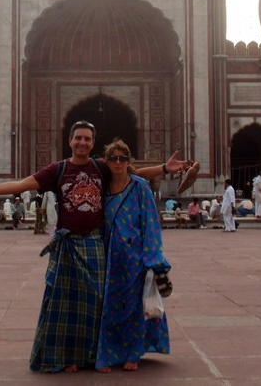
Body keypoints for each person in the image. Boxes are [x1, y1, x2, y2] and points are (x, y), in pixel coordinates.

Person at [0, 120, 189, 373]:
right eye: (78, 138)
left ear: (92, 143)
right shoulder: (58, 169)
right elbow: (22, 184)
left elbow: (128, 172)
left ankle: (94, 354)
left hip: (94, 242)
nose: (82, 142)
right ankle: (68, 356)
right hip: (68, 244)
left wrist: (164, 169)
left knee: (98, 302)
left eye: (87, 139)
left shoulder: (99, 167)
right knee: (64, 303)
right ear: (69, 140)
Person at [95, 140, 170, 372]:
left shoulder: (140, 187)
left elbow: (151, 224)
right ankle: (107, 354)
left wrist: (154, 260)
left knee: (133, 308)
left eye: (122, 158)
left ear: (129, 162)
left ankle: (133, 353)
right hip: (108, 257)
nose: (118, 162)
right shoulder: (101, 187)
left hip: (134, 258)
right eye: (113, 158)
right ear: (106, 162)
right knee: (109, 307)